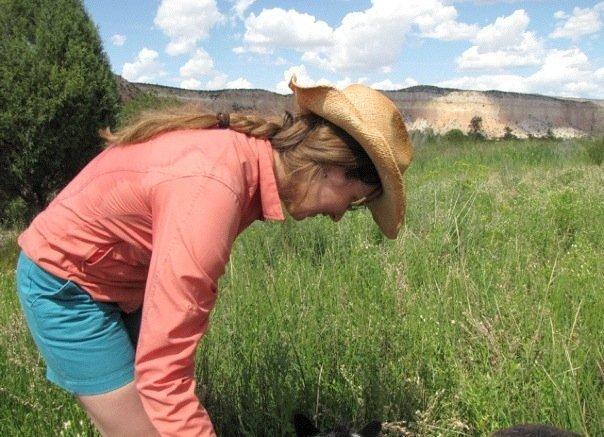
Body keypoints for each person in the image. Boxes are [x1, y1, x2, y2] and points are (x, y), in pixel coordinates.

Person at [14, 76, 413, 436]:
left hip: (127, 282)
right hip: (67, 286)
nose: (341, 215)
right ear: (333, 169)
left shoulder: (242, 162)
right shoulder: (213, 188)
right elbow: (162, 377)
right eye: (354, 200)